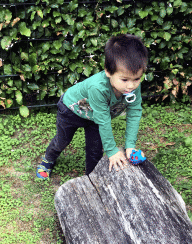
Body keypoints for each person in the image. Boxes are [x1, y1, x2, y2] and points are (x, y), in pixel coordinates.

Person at [36, 33, 148, 180]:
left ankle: (92, 179)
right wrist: (112, 151)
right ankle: (48, 159)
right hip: (71, 110)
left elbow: (134, 112)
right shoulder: (98, 87)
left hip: (94, 116)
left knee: (95, 150)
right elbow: (104, 120)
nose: (131, 85)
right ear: (108, 72)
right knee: (62, 140)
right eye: (124, 79)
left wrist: (130, 145)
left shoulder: (132, 88)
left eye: (137, 79)